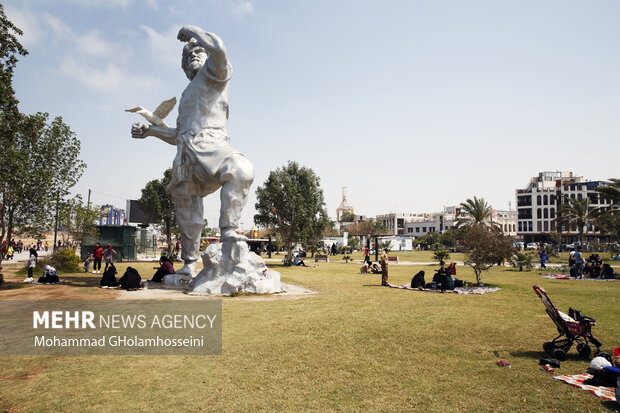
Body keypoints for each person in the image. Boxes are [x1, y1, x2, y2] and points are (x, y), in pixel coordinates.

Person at [131, 26, 254, 277]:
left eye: (198, 51)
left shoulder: (214, 74)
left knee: (241, 169)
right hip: (186, 157)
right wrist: (150, 131)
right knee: (186, 212)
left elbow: (219, 48)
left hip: (214, 147)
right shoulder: (186, 93)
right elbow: (179, 135)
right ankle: (189, 264)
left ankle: (229, 229)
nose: (193, 55)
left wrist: (193, 32)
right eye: (188, 55)